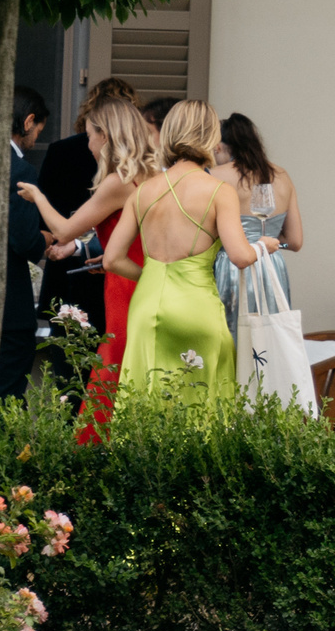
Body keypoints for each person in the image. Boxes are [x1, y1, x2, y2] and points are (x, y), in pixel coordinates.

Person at [107, 101, 275, 405]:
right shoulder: (218, 190)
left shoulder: (141, 191)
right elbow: (240, 256)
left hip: (147, 305)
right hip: (195, 307)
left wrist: (151, 274)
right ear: (210, 138)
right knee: (201, 401)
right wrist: (263, 246)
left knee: (146, 397)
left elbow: (112, 259)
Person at [31, 78, 139, 347]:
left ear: (105, 135)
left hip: (121, 282)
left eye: (89, 136)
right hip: (132, 277)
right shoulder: (149, 174)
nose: (87, 142)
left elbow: (63, 230)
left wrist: (36, 196)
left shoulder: (117, 180)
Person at [211, 114, 304, 333]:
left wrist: (249, 244)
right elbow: (295, 241)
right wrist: (269, 244)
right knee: (269, 338)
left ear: (219, 147)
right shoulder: (281, 175)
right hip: (272, 264)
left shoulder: (214, 176)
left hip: (232, 264)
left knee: (233, 334)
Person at [0, 89, 51, 397]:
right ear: (29, 121)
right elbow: (22, 239)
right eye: (38, 130)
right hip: (9, 304)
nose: (35, 139)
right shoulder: (19, 170)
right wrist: (43, 238)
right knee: (8, 393)